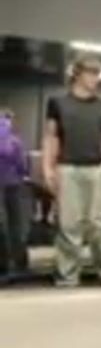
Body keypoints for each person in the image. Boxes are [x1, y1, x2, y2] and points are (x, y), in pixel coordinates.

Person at [42, 53, 101, 287]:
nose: (95, 78)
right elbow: (51, 137)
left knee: (100, 224)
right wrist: (48, 167)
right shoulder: (57, 103)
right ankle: (67, 276)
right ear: (77, 74)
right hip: (67, 168)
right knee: (69, 224)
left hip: (96, 168)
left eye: (97, 74)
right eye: (91, 73)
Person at [0, 109, 29, 282]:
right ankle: (19, 263)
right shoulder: (14, 141)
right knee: (16, 223)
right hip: (13, 183)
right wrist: (24, 175)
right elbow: (21, 164)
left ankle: (3, 265)